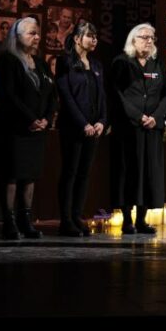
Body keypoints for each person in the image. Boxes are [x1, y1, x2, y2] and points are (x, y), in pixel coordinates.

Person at [0, 17, 55, 240]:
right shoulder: (7, 61)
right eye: (31, 33)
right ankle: (8, 221)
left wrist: (46, 118)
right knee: (11, 175)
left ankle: (25, 220)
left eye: (37, 33)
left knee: (29, 175)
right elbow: (9, 95)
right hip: (15, 129)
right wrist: (31, 118)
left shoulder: (40, 63)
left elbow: (52, 95)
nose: (36, 37)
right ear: (17, 36)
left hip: (37, 131)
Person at [111, 23, 166, 235]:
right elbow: (117, 93)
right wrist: (138, 116)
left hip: (152, 128)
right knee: (130, 172)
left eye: (152, 38)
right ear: (133, 40)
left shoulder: (156, 63)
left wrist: (156, 117)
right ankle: (127, 219)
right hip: (130, 128)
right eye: (144, 37)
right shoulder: (121, 62)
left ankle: (142, 220)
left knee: (148, 173)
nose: (149, 41)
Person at [55, 21, 107, 237]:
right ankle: (66, 220)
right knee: (70, 172)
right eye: (89, 36)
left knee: (84, 174)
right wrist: (83, 123)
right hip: (73, 127)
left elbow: (102, 95)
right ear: (77, 38)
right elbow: (65, 95)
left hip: (93, 130)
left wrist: (102, 121)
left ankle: (77, 215)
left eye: (95, 36)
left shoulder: (96, 65)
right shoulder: (65, 61)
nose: (94, 40)